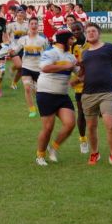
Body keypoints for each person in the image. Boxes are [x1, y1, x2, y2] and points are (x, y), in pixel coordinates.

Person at [81, 22, 112, 168]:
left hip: (107, 93)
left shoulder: (110, 48)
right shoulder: (85, 53)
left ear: (99, 33)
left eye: (93, 31)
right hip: (88, 94)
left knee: (111, 126)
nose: (90, 33)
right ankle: (95, 153)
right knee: (91, 127)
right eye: (88, 32)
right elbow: (82, 74)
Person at [34, 29, 78, 166]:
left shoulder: (71, 57)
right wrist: (65, 66)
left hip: (62, 95)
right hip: (46, 93)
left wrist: (87, 70)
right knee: (48, 128)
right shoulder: (50, 53)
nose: (73, 42)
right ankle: (40, 156)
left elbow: (79, 72)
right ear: (64, 40)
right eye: (71, 39)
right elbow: (44, 68)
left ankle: (53, 147)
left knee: (70, 123)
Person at [11, 16, 48, 118]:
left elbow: (47, 53)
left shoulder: (43, 39)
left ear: (38, 25)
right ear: (28, 25)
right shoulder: (23, 39)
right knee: (27, 88)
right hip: (26, 67)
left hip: (39, 69)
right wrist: (9, 51)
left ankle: (43, 108)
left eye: (36, 24)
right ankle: (32, 109)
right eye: (32, 24)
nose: (34, 26)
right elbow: (15, 50)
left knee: (38, 92)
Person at [69, 22, 90, 154]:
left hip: (94, 83)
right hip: (80, 84)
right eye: (74, 30)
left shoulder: (91, 43)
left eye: (78, 29)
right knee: (81, 112)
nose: (76, 31)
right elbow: (73, 64)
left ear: (83, 29)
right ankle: (83, 139)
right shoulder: (72, 46)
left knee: (97, 113)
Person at [6, 6, 29, 89]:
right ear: (16, 14)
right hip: (14, 48)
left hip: (24, 48)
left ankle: (14, 83)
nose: (20, 14)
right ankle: (13, 67)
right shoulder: (11, 25)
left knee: (21, 68)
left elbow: (29, 36)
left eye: (22, 12)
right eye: (18, 13)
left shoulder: (27, 25)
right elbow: (6, 35)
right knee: (19, 66)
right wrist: (8, 43)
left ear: (24, 15)